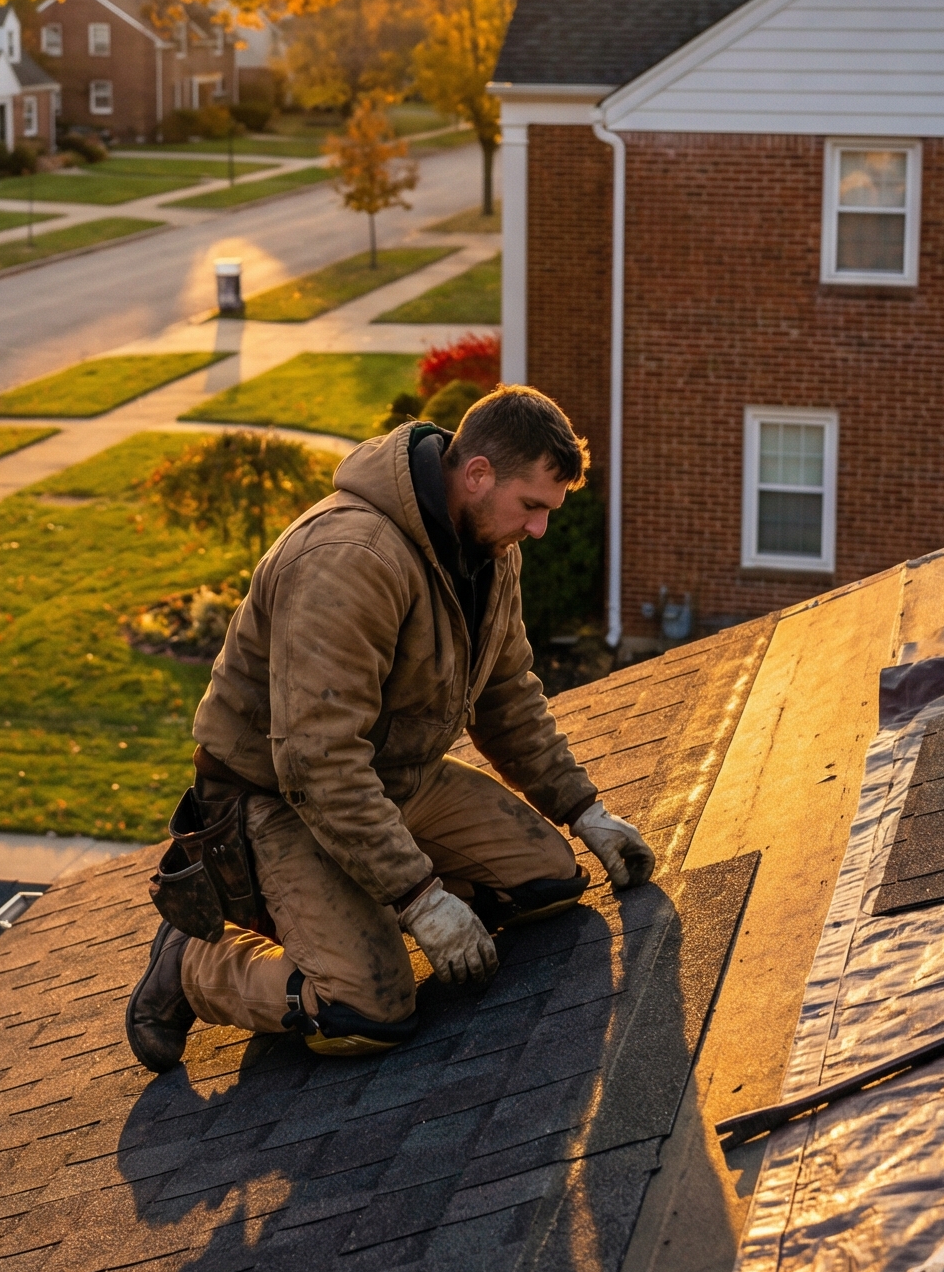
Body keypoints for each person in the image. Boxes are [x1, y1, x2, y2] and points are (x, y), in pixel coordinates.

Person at [126, 384, 655, 1071]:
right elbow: (316, 763)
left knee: (547, 883)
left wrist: (585, 811)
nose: (539, 529)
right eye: (532, 506)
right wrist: (420, 899)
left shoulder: (490, 551)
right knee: (368, 1009)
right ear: (477, 474)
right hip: (280, 801)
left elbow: (507, 695)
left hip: (394, 778)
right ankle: (194, 962)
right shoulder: (350, 558)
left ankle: (354, 911)